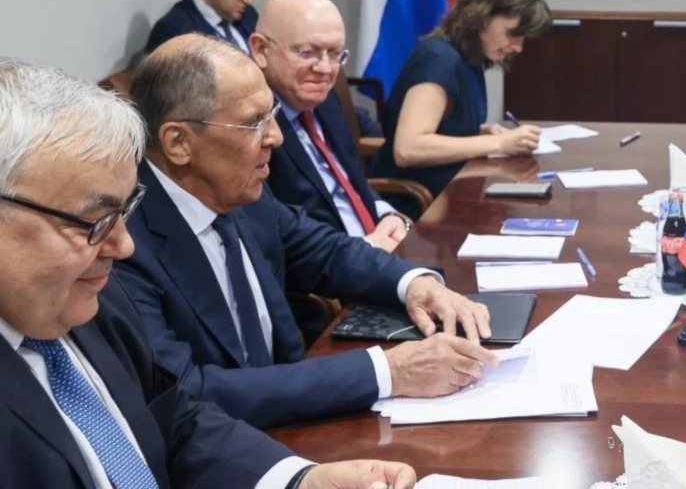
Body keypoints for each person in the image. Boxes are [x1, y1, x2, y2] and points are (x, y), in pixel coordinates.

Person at [0, 57, 417, 488]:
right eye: (95, 220)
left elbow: (174, 421)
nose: (124, 245)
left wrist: (301, 480)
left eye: (124, 211)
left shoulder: (90, 300)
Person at [115, 34, 499, 430]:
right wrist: (388, 372)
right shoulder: (122, 245)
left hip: (295, 418)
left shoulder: (240, 193)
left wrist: (415, 284)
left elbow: (326, 251)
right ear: (178, 142)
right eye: (253, 123)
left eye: (272, 114)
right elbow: (189, 391)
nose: (276, 137)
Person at [251, 0, 411, 253]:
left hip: (377, 249)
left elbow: (348, 182)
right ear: (261, 50)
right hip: (330, 267)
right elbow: (272, 232)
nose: (325, 69)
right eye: (307, 53)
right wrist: (366, 248)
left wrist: (386, 213)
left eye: (335, 53)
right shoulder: (249, 125)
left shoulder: (321, 99)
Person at [371, 0, 550, 196]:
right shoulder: (439, 60)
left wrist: (481, 132)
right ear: (482, 15)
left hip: (450, 189)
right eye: (512, 34)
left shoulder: (468, 57)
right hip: (415, 200)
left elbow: (442, 127)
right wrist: (499, 144)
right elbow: (408, 148)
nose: (518, 47)